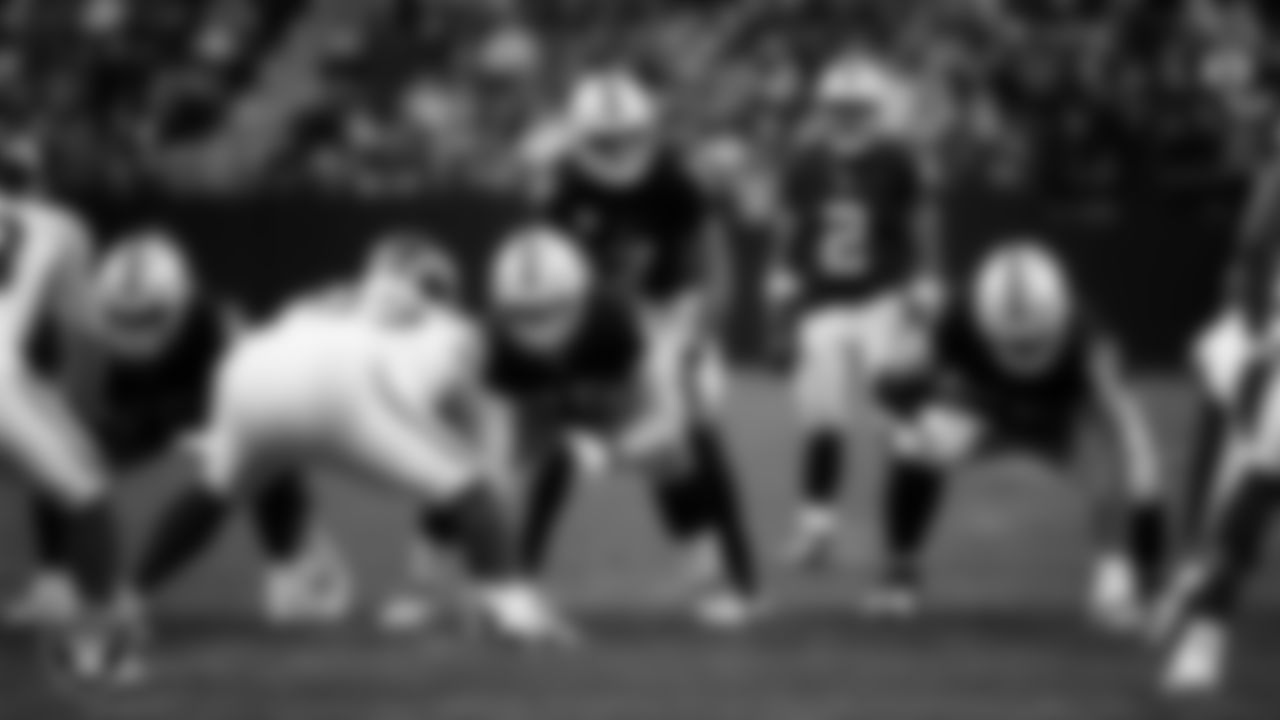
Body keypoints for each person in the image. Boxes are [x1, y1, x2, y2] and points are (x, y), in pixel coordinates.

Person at [124, 235, 573, 671]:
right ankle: (514, 613)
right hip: (349, 380)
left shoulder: (314, 302)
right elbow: (477, 445)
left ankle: (126, 600)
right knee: (474, 487)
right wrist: (490, 551)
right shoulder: (451, 329)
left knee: (212, 495)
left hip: (248, 370)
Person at [5, 231, 353, 630]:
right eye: (122, 317)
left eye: (148, 316)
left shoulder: (219, 328)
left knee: (267, 449)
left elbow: (254, 411)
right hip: (130, 415)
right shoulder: (80, 331)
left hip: (204, 406)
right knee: (60, 448)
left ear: (183, 301)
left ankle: (288, 569)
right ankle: (55, 583)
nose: (135, 331)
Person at [531, 70, 758, 624]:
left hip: (666, 313)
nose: (615, 150)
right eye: (603, 140)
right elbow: (545, 270)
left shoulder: (672, 179)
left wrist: (702, 325)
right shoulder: (561, 187)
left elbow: (712, 258)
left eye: (624, 137)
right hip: (592, 319)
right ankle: (517, 576)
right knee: (561, 435)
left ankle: (738, 576)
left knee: (692, 431)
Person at [868, 241, 1164, 626]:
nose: (1023, 351)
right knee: (915, 443)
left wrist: (1122, 552)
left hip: (1060, 419)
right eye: (1013, 341)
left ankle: (1136, 584)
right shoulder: (956, 317)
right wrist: (907, 395)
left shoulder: (1087, 337)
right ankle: (900, 572)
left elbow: (1119, 424)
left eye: (1033, 341)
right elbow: (895, 385)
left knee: (1136, 462)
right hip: (987, 411)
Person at [766, 55, 945, 567]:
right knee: (821, 421)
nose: (846, 117)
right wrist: (779, 288)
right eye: (839, 108)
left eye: (856, 108)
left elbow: (921, 220)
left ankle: (900, 543)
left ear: (876, 108)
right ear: (825, 108)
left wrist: (927, 280)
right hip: (821, 303)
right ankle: (816, 530)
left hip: (880, 301)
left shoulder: (897, 159)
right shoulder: (805, 161)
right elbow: (787, 229)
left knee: (900, 423)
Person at [0, 145, 136, 683]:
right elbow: (84, 331)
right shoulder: (57, 225)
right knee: (87, 496)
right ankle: (94, 645)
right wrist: (81, 408)